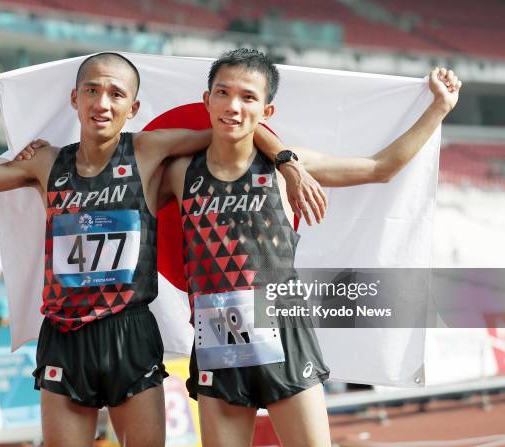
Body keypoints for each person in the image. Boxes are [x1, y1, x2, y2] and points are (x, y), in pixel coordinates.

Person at [0, 52, 321, 447]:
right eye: (92, 91)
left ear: (132, 107)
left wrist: (286, 159)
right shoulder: (46, 162)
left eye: (116, 94)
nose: (102, 103)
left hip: (130, 331)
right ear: (75, 99)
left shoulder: (148, 151)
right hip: (64, 335)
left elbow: (233, 128)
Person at [159, 49, 461, 446]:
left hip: (283, 326)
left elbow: (380, 167)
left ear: (267, 111)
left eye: (248, 97)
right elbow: (120, 170)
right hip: (217, 337)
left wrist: (439, 108)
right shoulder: (179, 173)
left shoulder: (289, 171)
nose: (233, 106)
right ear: (207, 100)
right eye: (223, 93)